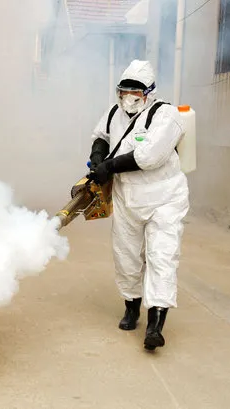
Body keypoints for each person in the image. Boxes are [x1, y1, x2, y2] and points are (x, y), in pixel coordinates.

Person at [86, 59, 189, 351]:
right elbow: (101, 137)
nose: (128, 96)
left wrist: (109, 167)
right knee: (126, 256)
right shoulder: (113, 112)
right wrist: (97, 158)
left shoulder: (165, 115)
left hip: (164, 198)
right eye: (124, 90)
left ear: (149, 93)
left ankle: (155, 325)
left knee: (162, 256)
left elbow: (148, 157)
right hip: (127, 197)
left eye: (135, 91)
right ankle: (131, 308)